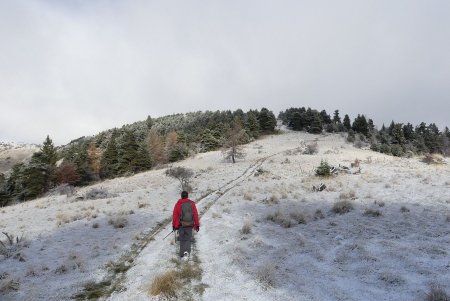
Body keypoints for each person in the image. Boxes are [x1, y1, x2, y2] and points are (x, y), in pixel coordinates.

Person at [172, 191, 200, 260]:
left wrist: (174, 225)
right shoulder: (192, 204)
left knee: (182, 239)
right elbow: (195, 214)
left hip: (181, 224)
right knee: (188, 239)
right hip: (190, 224)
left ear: (181, 196)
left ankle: (182, 254)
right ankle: (186, 253)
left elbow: (175, 215)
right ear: (187, 196)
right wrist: (197, 224)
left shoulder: (178, 204)